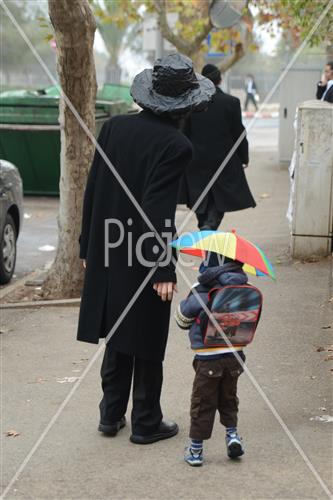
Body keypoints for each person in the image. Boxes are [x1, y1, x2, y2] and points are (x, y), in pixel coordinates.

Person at [77, 53, 215, 445]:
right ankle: (146, 422)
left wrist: (87, 243)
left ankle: (110, 414)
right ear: (186, 105)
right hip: (143, 252)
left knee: (120, 332)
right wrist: (163, 269)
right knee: (148, 338)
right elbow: (157, 209)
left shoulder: (114, 128)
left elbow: (93, 188)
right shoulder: (176, 145)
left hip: (108, 246)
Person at [174, 252, 262, 466]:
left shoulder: (201, 291)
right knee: (228, 398)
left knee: (203, 403)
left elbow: (182, 320)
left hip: (208, 359)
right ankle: (232, 436)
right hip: (235, 357)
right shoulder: (246, 287)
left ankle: (195, 451)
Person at [178, 63, 255, 231]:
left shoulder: (190, 104)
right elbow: (239, 133)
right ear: (220, 80)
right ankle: (210, 226)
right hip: (223, 161)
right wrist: (244, 157)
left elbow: (183, 133)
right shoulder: (231, 102)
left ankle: (206, 227)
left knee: (200, 199)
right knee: (219, 198)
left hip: (195, 161)